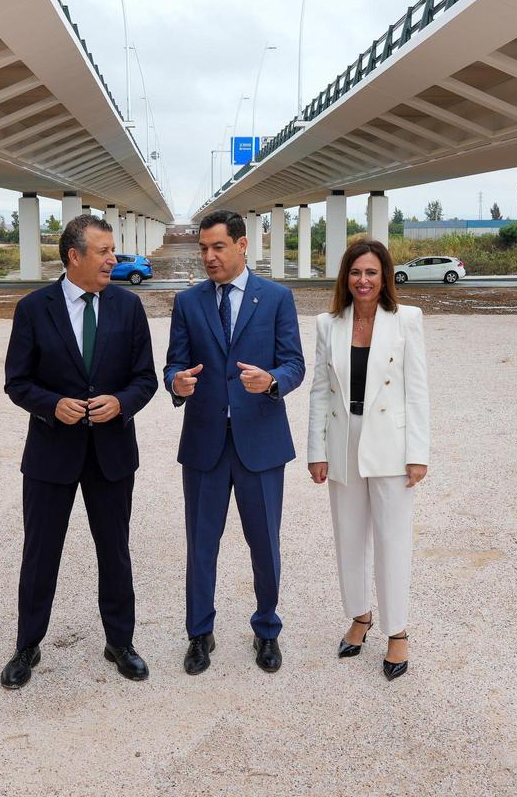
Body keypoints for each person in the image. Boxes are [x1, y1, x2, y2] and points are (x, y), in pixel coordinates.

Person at [0, 214, 158, 688]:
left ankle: (120, 642)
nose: (115, 258)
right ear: (75, 256)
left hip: (111, 454)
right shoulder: (33, 308)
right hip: (52, 455)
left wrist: (121, 403)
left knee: (115, 551)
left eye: (114, 250)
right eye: (105, 250)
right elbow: (17, 382)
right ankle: (27, 646)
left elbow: (145, 379)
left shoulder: (129, 308)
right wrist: (51, 406)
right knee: (40, 552)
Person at [164, 209, 305, 675]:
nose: (208, 256)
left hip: (260, 445)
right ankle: (199, 634)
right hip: (205, 444)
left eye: (217, 247)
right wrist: (176, 383)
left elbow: (294, 364)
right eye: (203, 247)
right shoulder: (188, 303)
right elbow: (173, 365)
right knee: (201, 545)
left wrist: (271, 381)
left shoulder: (278, 298)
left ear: (242, 245)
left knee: (264, 544)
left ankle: (267, 630)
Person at [306, 239, 430, 681]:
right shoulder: (328, 323)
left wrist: (418, 454)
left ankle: (398, 631)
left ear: (385, 277)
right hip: (344, 439)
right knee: (348, 536)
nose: (363, 280)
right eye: (356, 272)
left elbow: (417, 390)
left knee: (393, 540)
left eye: (371, 273)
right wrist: (316, 451)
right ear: (346, 276)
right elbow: (320, 391)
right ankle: (360, 615)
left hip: (391, 445)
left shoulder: (406, 321)